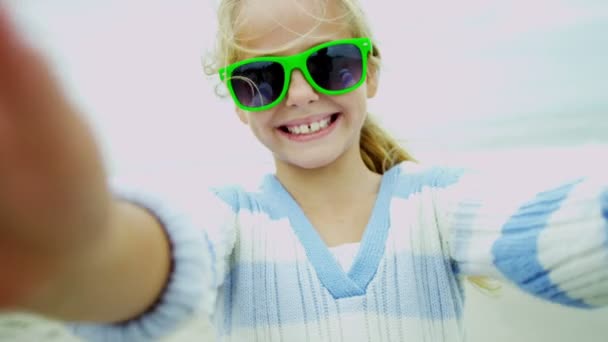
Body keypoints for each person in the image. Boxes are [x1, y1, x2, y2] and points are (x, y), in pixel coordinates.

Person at [0, 0, 606, 341]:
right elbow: (153, 256)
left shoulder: (438, 205)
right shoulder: (230, 219)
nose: (298, 94)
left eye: (330, 65)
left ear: (369, 72)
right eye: (262, 78)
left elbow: (549, 231)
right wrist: (75, 257)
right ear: (240, 102)